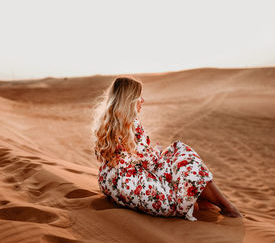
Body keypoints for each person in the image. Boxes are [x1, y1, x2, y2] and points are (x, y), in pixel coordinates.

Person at [92, 76, 241, 221]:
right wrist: (159, 152)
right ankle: (227, 207)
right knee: (182, 153)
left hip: (112, 184)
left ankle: (201, 198)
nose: (142, 100)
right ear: (129, 100)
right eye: (139, 96)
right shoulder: (131, 125)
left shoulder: (107, 124)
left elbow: (132, 157)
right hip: (138, 186)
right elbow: (150, 163)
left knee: (176, 159)